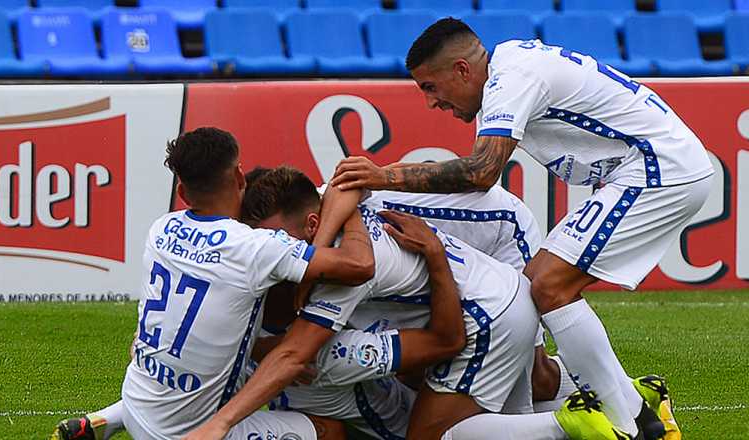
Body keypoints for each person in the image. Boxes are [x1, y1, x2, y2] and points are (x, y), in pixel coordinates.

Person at [330, 18, 712, 440]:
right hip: (651, 166)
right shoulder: (509, 71)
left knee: (550, 287)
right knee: (541, 284)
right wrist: (389, 175)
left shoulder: (512, 79)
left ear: (461, 70)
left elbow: (480, 172)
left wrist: (385, 179)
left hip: (657, 169)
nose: (431, 104)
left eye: (431, 88)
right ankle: (637, 409)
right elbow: (475, 170)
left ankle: (625, 425)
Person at [186, 166, 621, 440]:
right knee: (519, 401)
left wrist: (221, 423)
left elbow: (295, 354)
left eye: (275, 238)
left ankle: (568, 425)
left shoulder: (342, 276)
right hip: (493, 297)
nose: (272, 252)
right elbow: (342, 183)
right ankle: (620, 403)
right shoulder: (325, 212)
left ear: (311, 222)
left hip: (484, 315)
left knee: (436, 432)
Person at [51, 127, 377, 440]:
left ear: (182, 192)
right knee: (329, 430)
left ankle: (107, 420)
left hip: (136, 398)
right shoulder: (257, 248)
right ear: (239, 177)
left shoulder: (160, 229)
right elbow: (358, 265)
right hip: (184, 434)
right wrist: (344, 210)